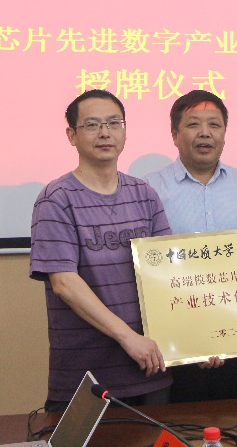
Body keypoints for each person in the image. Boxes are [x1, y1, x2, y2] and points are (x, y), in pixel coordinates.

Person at [29, 90, 172, 412]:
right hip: (87, 377)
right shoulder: (56, 198)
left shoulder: (144, 194)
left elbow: (167, 273)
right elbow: (64, 283)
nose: (105, 133)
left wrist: (198, 337)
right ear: (72, 135)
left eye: (113, 123)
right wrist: (128, 337)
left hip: (151, 370)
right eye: (92, 125)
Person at [143, 90, 237, 402]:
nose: (205, 133)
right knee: (177, 425)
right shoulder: (149, 189)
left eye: (214, 124)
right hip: (173, 347)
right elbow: (143, 270)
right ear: (174, 134)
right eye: (193, 124)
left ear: (224, 133)